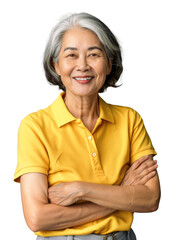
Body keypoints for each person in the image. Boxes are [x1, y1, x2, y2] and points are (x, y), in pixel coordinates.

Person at [14, 12, 160, 240]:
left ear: (110, 63)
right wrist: (121, 192)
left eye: (94, 54)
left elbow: (150, 199)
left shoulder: (130, 120)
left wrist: (80, 190)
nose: (82, 66)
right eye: (71, 55)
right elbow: (37, 218)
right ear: (56, 65)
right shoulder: (35, 126)